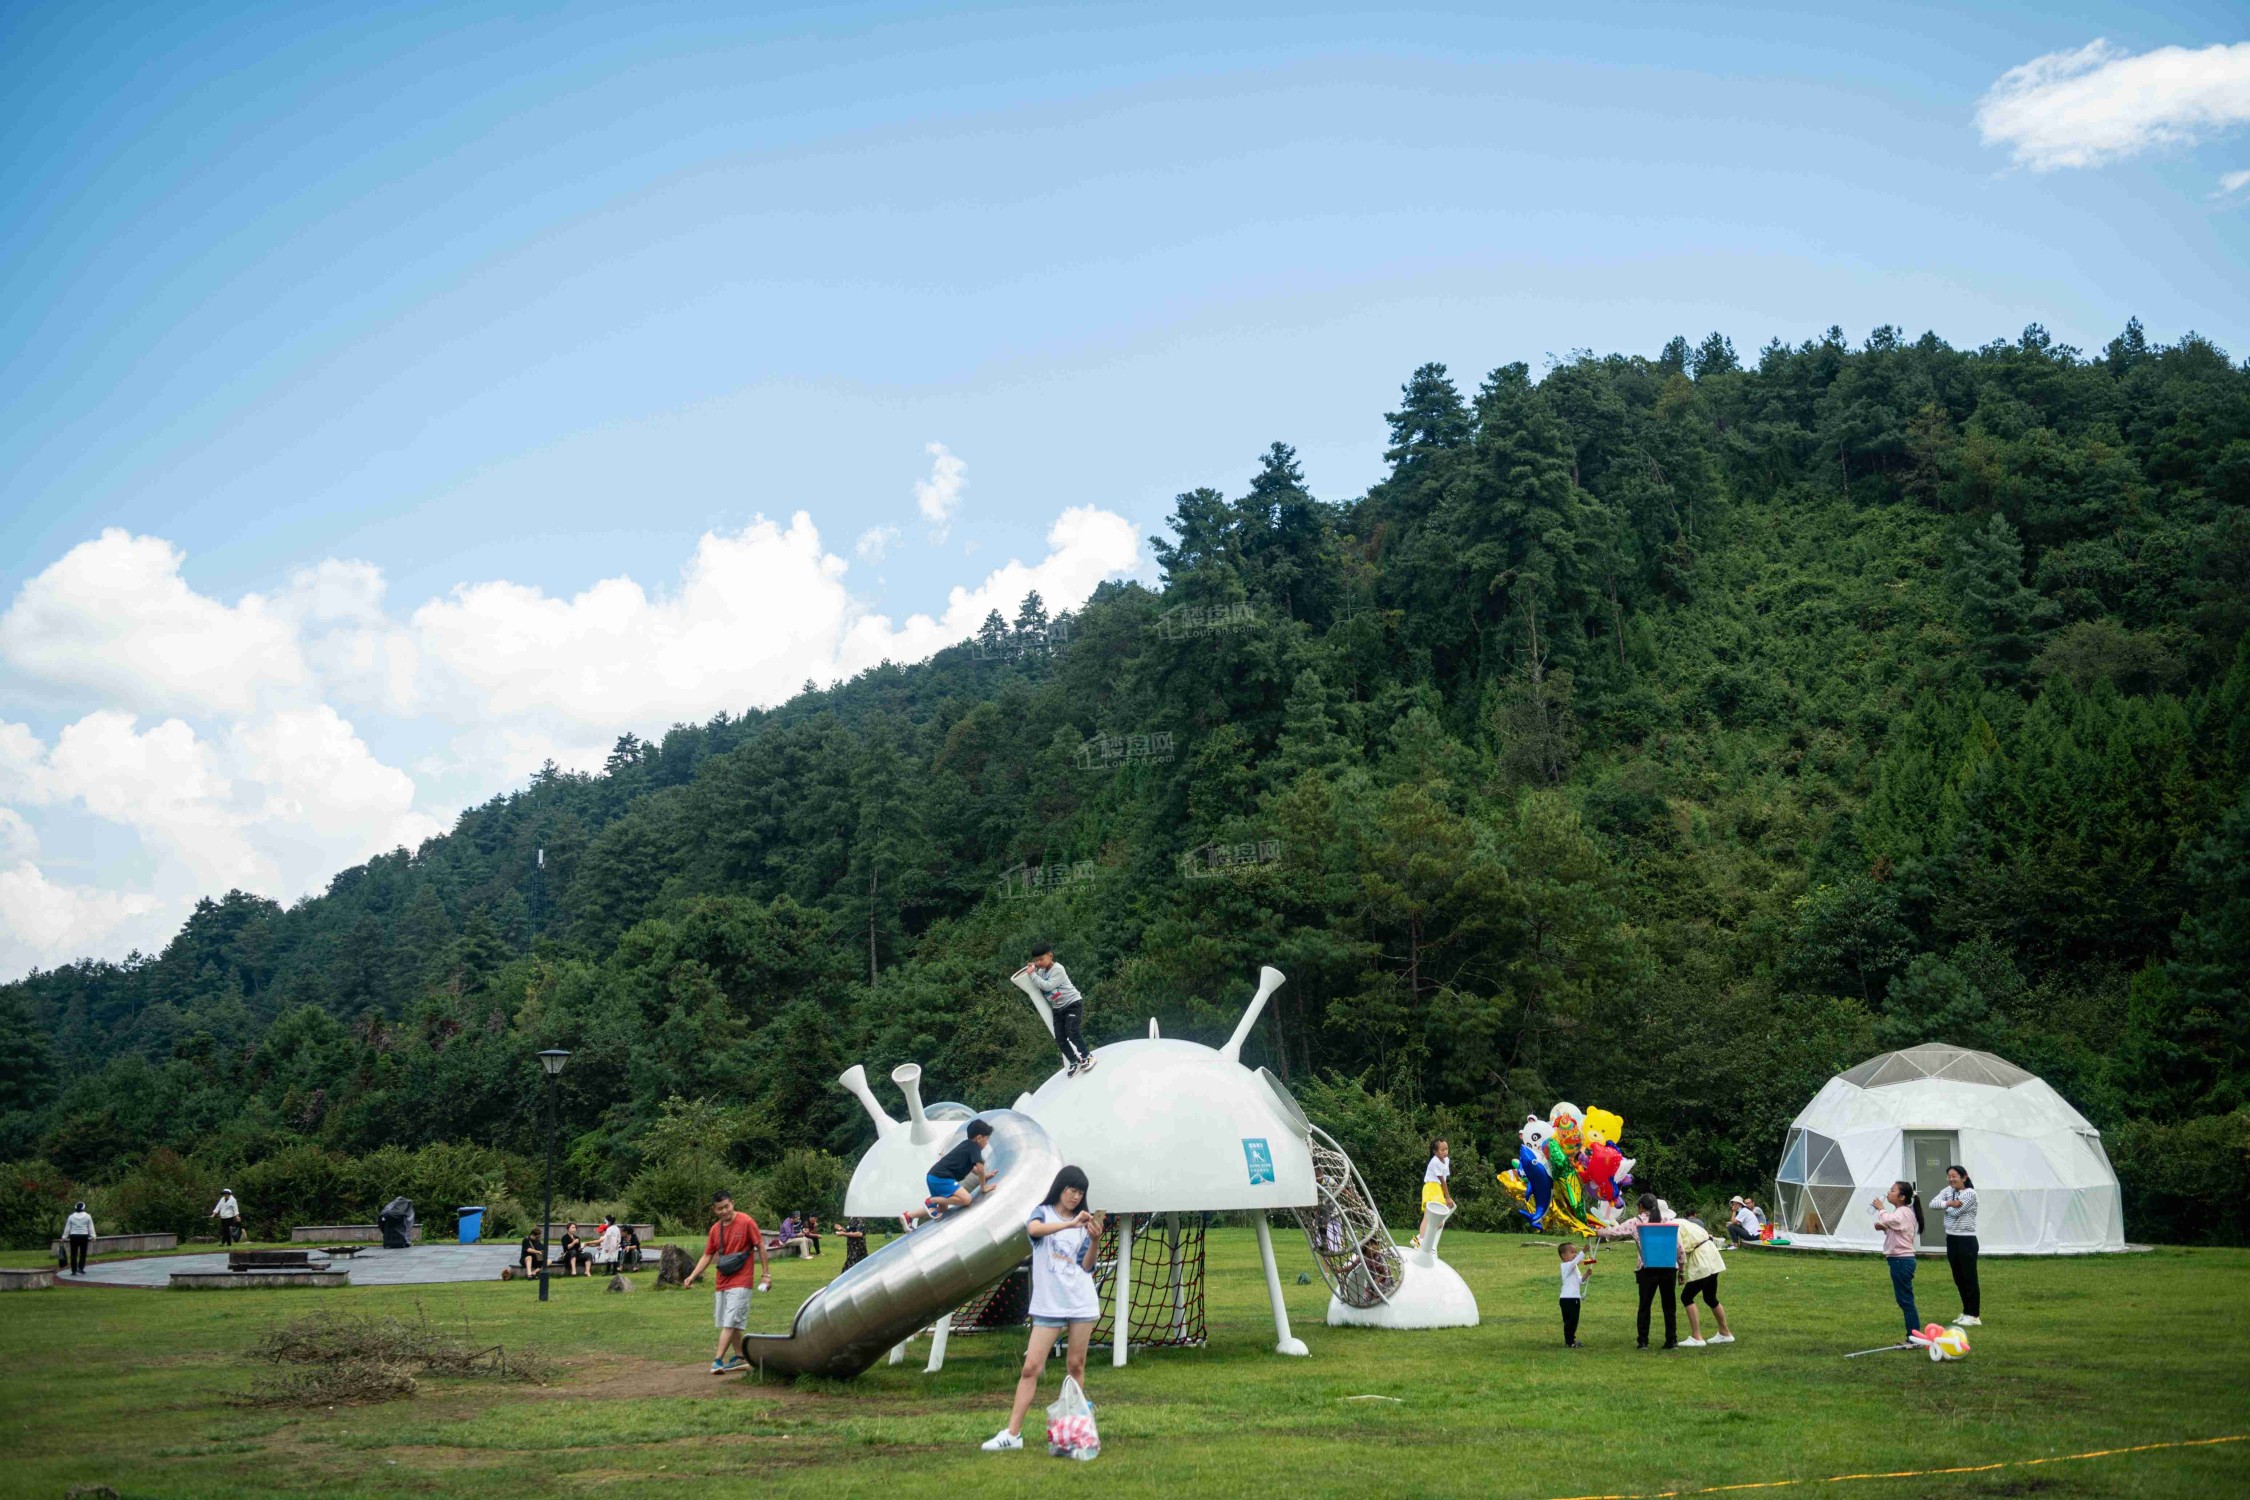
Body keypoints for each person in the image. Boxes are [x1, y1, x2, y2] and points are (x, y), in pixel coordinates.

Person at [982, 1166, 1105, 1451]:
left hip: (1080, 1301)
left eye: (1080, 1193)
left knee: (1076, 1366)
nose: (1075, 1197)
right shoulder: (1043, 1212)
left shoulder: (1085, 1223)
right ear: (1060, 1188)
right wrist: (1069, 1224)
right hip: (1049, 1304)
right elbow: (1033, 1229)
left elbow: (1086, 1266)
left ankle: (1075, 1433)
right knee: (1031, 1367)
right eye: (1071, 1190)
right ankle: (1012, 1434)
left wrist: (1095, 1238)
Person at [683, 1190, 772, 1374]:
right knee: (729, 1321)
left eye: (726, 1206)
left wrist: (766, 1275)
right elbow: (707, 1255)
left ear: (733, 1203)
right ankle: (740, 1357)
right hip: (722, 1281)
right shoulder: (716, 1229)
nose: (724, 1211)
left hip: (742, 1280)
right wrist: (692, 1276)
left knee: (730, 1322)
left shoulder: (746, 1221)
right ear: (714, 1210)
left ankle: (717, 1360)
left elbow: (760, 1246)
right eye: (719, 1209)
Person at [1596, 1192, 1680, 1350]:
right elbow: (1678, 1247)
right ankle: (1672, 1340)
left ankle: (1643, 1341)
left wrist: (1599, 1231)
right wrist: (1681, 1269)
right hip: (1669, 1268)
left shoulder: (1637, 1222)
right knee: (1669, 1307)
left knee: (1645, 1306)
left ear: (1641, 1207)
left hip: (1647, 1269)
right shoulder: (1668, 1221)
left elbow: (1615, 1232)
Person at [903, 1118, 999, 1229]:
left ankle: (909, 1216)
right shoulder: (974, 1147)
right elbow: (980, 1168)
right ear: (979, 1138)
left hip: (933, 1176)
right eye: (986, 1139)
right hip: (942, 1177)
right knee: (966, 1199)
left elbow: (974, 1169)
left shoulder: (966, 1145)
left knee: (943, 1210)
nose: (987, 1143)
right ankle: (931, 1201)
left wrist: (985, 1176)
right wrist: (983, 1187)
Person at [1017, 944, 1094, 1076]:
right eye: (1036, 960)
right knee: (1059, 1038)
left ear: (1050, 956)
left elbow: (1047, 986)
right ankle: (1074, 1061)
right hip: (1058, 1009)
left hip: (1072, 1004)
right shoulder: (1041, 972)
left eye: (1041, 959)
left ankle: (1087, 1056)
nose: (1038, 963)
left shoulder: (1058, 969)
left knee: (1072, 1031)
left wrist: (1033, 975)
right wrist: (1033, 972)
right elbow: (1037, 982)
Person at [1871, 1180, 1923, 1338]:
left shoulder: (1902, 1212)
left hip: (1902, 1260)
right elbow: (1898, 1231)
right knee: (1904, 1300)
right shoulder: (1903, 1212)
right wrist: (1885, 1229)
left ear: (1901, 1197)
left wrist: (1880, 1209)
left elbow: (1890, 1219)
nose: (1888, 1193)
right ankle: (1913, 1336)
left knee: (1906, 1301)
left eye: (1892, 1191)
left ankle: (1913, 1337)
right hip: (1900, 1260)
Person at [1931, 1166, 1982, 1327]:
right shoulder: (1948, 1190)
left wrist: (1946, 1206)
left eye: (1955, 1176)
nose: (1951, 1179)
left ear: (1964, 1177)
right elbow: (1933, 1204)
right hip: (1951, 1238)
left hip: (1966, 1239)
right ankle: (1966, 1311)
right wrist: (1950, 1203)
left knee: (1969, 1277)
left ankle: (1974, 1314)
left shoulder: (1970, 1194)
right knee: (1958, 1278)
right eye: (1949, 1176)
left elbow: (1954, 1213)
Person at [1674, 1215, 1735, 1346]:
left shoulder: (1674, 1226)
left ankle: (1697, 1337)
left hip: (1702, 1259)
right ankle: (1725, 1333)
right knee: (1710, 1297)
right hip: (1712, 1255)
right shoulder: (1684, 1222)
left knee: (1686, 1297)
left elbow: (1680, 1250)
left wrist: (1681, 1271)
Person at [1415, 1139, 1453, 1248]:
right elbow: (1442, 1181)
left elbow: (1445, 1179)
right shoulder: (1435, 1161)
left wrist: (1446, 1196)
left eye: (1446, 1149)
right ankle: (1421, 1241)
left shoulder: (1447, 1160)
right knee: (1428, 1217)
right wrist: (1448, 1197)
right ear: (1435, 1152)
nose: (1445, 1151)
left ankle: (1418, 1239)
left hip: (1438, 1190)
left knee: (1439, 1223)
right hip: (1431, 1188)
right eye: (1442, 1150)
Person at [1558, 1240, 1592, 1348]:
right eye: (1572, 1252)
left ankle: (1571, 1340)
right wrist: (1583, 1252)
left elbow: (1580, 1281)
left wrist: (1586, 1274)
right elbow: (1574, 1262)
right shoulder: (1565, 1266)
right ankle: (1569, 1341)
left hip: (1574, 1298)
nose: (1575, 1254)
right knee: (1569, 1321)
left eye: (1575, 1252)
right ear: (1563, 1256)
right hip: (1567, 1299)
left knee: (1574, 1321)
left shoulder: (1574, 1267)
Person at [63, 1202, 95, 1276]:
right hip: (84, 1236)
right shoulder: (87, 1216)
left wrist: (64, 1237)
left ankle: (74, 1270)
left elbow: (67, 1228)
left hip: (74, 1236)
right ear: (84, 1208)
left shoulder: (71, 1217)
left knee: (73, 1253)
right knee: (83, 1253)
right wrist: (93, 1236)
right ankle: (80, 1268)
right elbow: (90, 1227)